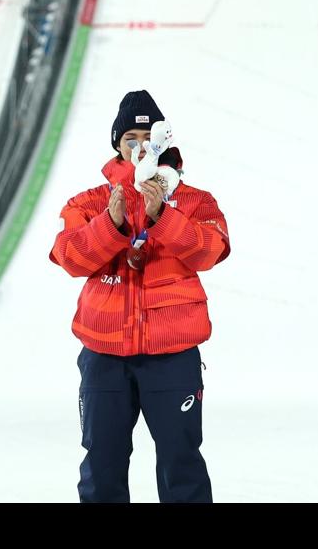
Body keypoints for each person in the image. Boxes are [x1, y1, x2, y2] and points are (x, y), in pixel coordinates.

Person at [49, 89, 231, 502]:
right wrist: (110, 224)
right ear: (117, 144)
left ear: (164, 143)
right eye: (130, 138)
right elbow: (69, 257)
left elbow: (210, 250)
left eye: (148, 140)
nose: (139, 148)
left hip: (173, 357)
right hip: (104, 356)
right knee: (103, 466)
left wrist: (164, 218)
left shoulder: (195, 201)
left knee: (181, 463)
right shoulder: (90, 202)